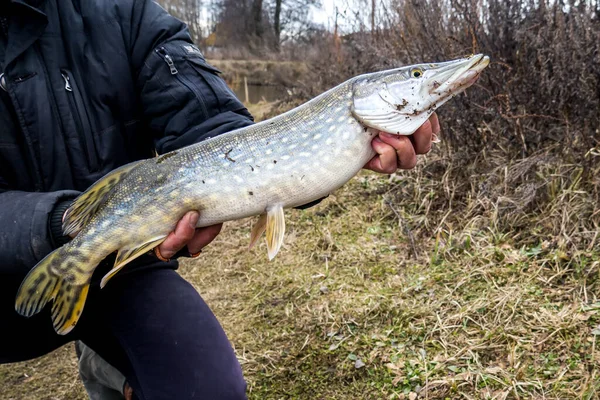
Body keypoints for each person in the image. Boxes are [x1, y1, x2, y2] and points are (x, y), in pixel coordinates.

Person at [0, 0, 441, 399]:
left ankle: (111, 362)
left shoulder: (122, 11)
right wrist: (59, 224)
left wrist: (333, 158)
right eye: (416, 76)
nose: (424, 80)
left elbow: (213, 126)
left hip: (124, 260)